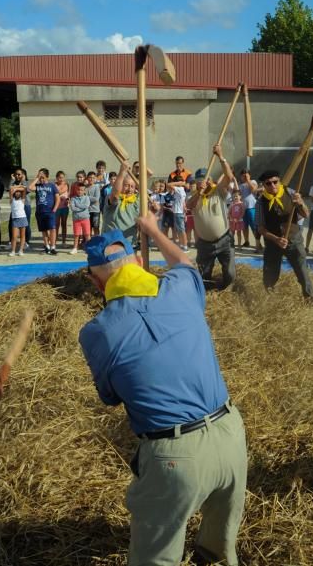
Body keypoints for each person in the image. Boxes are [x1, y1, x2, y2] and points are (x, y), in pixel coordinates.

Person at [78, 221, 248, 566]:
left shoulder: (97, 333)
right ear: (140, 264)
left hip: (176, 457)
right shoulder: (181, 288)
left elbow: (110, 397)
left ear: (97, 284)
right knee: (220, 547)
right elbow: (183, 263)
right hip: (231, 434)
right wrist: (154, 231)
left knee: (155, 557)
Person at [256, 169, 313, 298]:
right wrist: (276, 239)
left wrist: (300, 203)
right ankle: (269, 300)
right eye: (268, 183)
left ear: (279, 181)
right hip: (273, 244)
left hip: (294, 240)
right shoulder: (260, 202)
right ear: (264, 186)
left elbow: (306, 214)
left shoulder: (290, 192)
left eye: (275, 182)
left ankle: (310, 300)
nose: (272, 186)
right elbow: (260, 228)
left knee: (302, 272)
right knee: (270, 275)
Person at [188, 144, 237, 290]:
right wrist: (199, 193)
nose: (203, 182)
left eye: (206, 180)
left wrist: (221, 156)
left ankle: (227, 290)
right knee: (204, 275)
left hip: (224, 240)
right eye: (200, 181)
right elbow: (189, 205)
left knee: (230, 273)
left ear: (210, 180)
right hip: (204, 244)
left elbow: (229, 177)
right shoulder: (193, 196)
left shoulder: (219, 191)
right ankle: (207, 294)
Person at [102, 161, 141, 247]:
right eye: (126, 185)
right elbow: (115, 196)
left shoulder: (137, 201)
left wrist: (154, 211)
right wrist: (122, 172)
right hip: (111, 244)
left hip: (130, 244)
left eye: (132, 186)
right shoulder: (112, 197)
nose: (129, 189)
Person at [30, 168, 61, 254]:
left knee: (52, 229)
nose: (41, 179)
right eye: (40, 178)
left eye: (43, 177)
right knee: (44, 230)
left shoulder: (52, 186)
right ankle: (47, 246)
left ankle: (53, 247)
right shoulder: (38, 186)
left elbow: (57, 199)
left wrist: (54, 209)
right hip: (40, 212)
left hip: (50, 211)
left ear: (47, 177)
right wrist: (37, 178)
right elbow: (29, 188)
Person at [238, 169, 261, 252]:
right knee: (244, 226)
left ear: (249, 175)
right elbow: (238, 195)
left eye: (246, 175)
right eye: (242, 175)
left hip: (252, 208)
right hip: (243, 208)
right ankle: (246, 241)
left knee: (254, 226)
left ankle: (258, 244)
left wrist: (248, 180)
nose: (244, 176)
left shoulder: (253, 181)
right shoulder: (240, 185)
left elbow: (253, 190)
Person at [11, 167, 33, 248]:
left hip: (25, 205)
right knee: (13, 224)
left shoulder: (26, 182)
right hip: (16, 207)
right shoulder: (13, 182)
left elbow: (26, 189)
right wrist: (12, 181)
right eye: (16, 174)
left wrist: (20, 184)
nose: (17, 176)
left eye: (19, 174)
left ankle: (26, 241)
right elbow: (10, 188)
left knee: (26, 224)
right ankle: (12, 241)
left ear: (23, 175)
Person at [68, 183, 91, 255]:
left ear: (84, 191)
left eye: (81, 190)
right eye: (78, 190)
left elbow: (86, 206)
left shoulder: (87, 198)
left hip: (85, 219)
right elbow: (73, 208)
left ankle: (89, 248)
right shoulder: (73, 198)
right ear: (76, 190)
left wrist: (77, 205)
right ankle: (75, 248)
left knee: (87, 234)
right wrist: (81, 207)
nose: (80, 191)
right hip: (76, 220)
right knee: (76, 235)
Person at [8, 184, 28, 256]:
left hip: (23, 218)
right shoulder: (11, 200)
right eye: (16, 192)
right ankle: (13, 251)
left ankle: (21, 250)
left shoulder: (22, 199)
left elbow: (25, 188)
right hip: (15, 219)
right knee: (14, 236)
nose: (17, 193)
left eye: (19, 192)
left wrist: (16, 188)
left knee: (22, 236)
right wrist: (15, 189)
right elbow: (10, 189)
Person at [54, 170, 70, 247]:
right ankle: (55, 241)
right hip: (56, 207)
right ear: (56, 178)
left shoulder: (67, 184)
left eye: (62, 177)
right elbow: (58, 193)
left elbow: (67, 194)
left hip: (64, 207)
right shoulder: (54, 185)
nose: (61, 179)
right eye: (59, 177)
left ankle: (64, 241)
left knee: (64, 224)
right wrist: (60, 192)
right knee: (56, 225)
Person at [86, 171, 103, 236]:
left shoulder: (96, 187)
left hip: (95, 210)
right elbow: (83, 198)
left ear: (95, 179)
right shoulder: (85, 187)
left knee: (96, 227)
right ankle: (89, 241)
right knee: (88, 227)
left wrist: (86, 197)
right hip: (87, 211)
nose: (91, 179)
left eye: (93, 178)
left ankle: (96, 241)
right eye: (90, 177)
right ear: (87, 178)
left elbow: (96, 199)